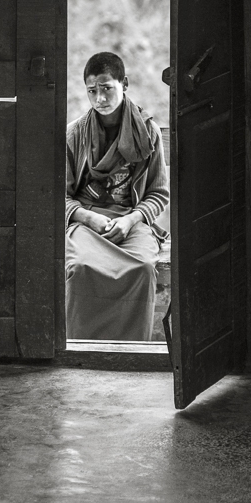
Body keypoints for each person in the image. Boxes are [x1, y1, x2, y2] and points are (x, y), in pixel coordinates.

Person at [65, 52, 169, 340]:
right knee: (80, 268)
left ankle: (133, 352)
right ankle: (81, 349)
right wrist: (89, 218)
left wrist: (132, 220)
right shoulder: (75, 135)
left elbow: (158, 194)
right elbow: (59, 197)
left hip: (131, 222)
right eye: (92, 91)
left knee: (145, 269)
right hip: (87, 221)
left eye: (107, 88)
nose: (100, 98)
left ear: (125, 83)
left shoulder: (147, 133)